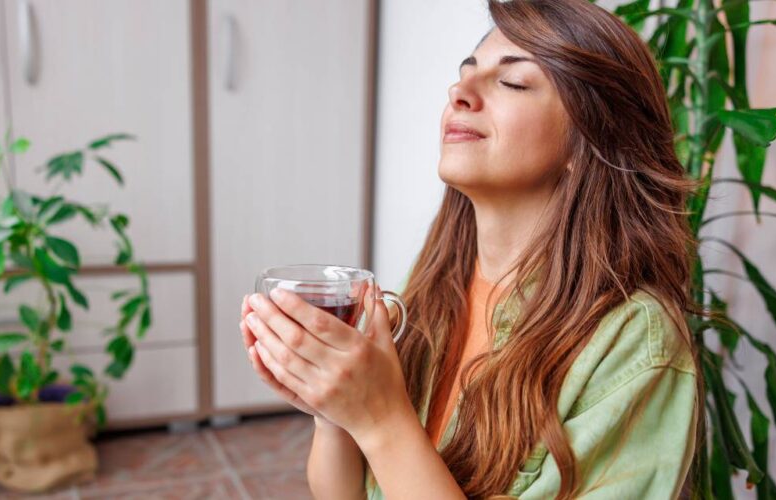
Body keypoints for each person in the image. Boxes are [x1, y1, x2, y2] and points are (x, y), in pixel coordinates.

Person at [238, 0, 703, 498]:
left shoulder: (635, 342)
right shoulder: (441, 279)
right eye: (465, 74)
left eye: (513, 82)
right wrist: (333, 409)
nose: (459, 92)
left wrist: (380, 419)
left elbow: (384, 438)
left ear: (588, 138)